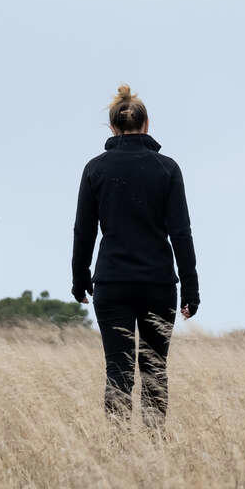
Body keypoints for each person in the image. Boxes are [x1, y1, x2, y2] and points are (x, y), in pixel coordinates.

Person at [71, 84, 200, 428]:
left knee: (118, 369)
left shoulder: (95, 169)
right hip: (158, 283)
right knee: (155, 369)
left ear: (112, 127)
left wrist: (80, 278)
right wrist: (191, 288)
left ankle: (118, 448)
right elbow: (181, 233)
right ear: (146, 125)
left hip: (112, 282)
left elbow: (83, 231)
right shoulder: (167, 168)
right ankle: (154, 448)